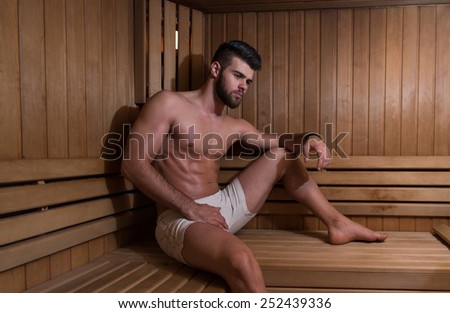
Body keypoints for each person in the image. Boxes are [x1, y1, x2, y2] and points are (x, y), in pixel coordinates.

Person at [121, 40, 388, 292]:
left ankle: (337, 223)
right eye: (238, 76)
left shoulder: (234, 125)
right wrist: (191, 208)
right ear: (216, 69)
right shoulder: (169, 103)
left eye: (248, 81)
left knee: (284, 154)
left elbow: (279, 141)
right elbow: (133, 165)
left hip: (220, 208)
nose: (243, 86)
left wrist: (311, 138)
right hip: (181, 219)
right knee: (241, 260)